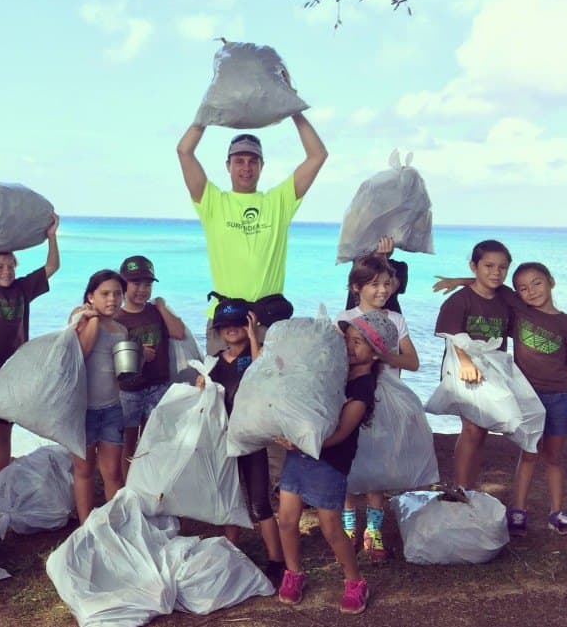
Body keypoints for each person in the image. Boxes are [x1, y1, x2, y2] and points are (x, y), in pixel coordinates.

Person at [435, 262, 567, 535]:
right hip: (528, 396)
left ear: (551, 281)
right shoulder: (519, 310)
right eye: (522, 288)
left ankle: (557, 513)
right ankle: (518, 511)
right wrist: (458, 281)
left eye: (537, 283)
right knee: (529, 453)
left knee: (553, 457)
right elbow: (488, 283)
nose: (530, 291)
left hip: (561, 397)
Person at [276, 311, 397, 614]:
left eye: (359, 342)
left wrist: (305, 441)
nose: (350, 347)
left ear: (376, 352)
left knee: (330, 527)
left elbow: (342, 432)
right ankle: (293, 573)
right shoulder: (335, 369)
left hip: (330, 460)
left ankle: (355, 581)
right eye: (349, 339)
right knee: (288, 519)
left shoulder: (363, 387)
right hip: (299, 454)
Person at [176, 112, 327, 355]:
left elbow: (318, 155)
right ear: (228, 166)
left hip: (268, 321)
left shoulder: (279, 201)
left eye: (252, 161)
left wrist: (293, 111)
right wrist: (205, 115)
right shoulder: (212, 201)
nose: (246, 168)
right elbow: (184, 151)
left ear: (261, 166)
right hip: (226, 321)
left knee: (269, 392)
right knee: (221, 392)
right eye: (239, 161)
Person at [0, 195, 60, 498]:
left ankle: (2, 494)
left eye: (9, 266)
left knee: (5, 436)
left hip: (14, 374)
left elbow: (52, 266)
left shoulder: (22, 290)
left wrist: (52, 237)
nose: (6, 271)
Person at [335, 253, 419, 561]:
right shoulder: (344, 319)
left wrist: (382, 356)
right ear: (356, 287)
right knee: (349, 461)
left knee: (379, 464)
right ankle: (347, 526)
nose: (383, 290)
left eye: (387, 284)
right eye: (374, 285)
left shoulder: (395, 320)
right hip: (353, 395)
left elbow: (412, 362)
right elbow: (335, 360)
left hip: (384, 399)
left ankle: (374, 528)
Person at [203, 298, 285, 586]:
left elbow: (264, 373)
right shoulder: (215, 362)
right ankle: (231, 551)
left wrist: (253, 337)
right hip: (225, 440)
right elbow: (206, 394)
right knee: (230, 496)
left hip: (251, 440)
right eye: (226, 326)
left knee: (260, 502)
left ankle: (277, 560)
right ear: (219, 331)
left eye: (239, 324)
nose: (232, 330)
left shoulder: (255, 356)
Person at [433, 240, 514, 489]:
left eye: (502, 267)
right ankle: (459, 487)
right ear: (474, 266)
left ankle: (469, 487)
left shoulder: (505, 298)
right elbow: (451, 335)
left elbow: (530, 309)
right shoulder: (459, 301)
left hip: (493, 370)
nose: (495, 272)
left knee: (482, 431)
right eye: (488, 266)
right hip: (462, 367)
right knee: (471, 429)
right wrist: (466, 363)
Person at [114, 255, 186, 481]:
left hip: (158, 386)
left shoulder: (156, 311)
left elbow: (178, 332)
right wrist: (137, 352)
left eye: (147, 285)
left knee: (154, 439)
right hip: (128, 390)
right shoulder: (117, 317)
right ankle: (129, 486)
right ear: (123, 285)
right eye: (136, 284)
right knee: (128, 441)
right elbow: (110, 354)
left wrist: (163, 307)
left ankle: (149, 482)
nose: (142, 290)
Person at [70, 269, 128, 523]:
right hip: (82, 410)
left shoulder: (120, 330)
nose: (112, 299)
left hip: (112, 408)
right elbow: (81, 351)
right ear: (91, 296)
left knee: (113, 471)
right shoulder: (79, 318)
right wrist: (92, 319)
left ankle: (113, 525)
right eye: (105, 294)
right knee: (83, 469)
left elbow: (117, 373)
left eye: (117, 294)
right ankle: (86, 526)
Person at [344, 236, 408, 313]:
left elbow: (392, 288)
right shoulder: (360, 265)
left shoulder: (399, 267)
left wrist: (383, 259)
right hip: (356, 318)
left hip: (389, 319)